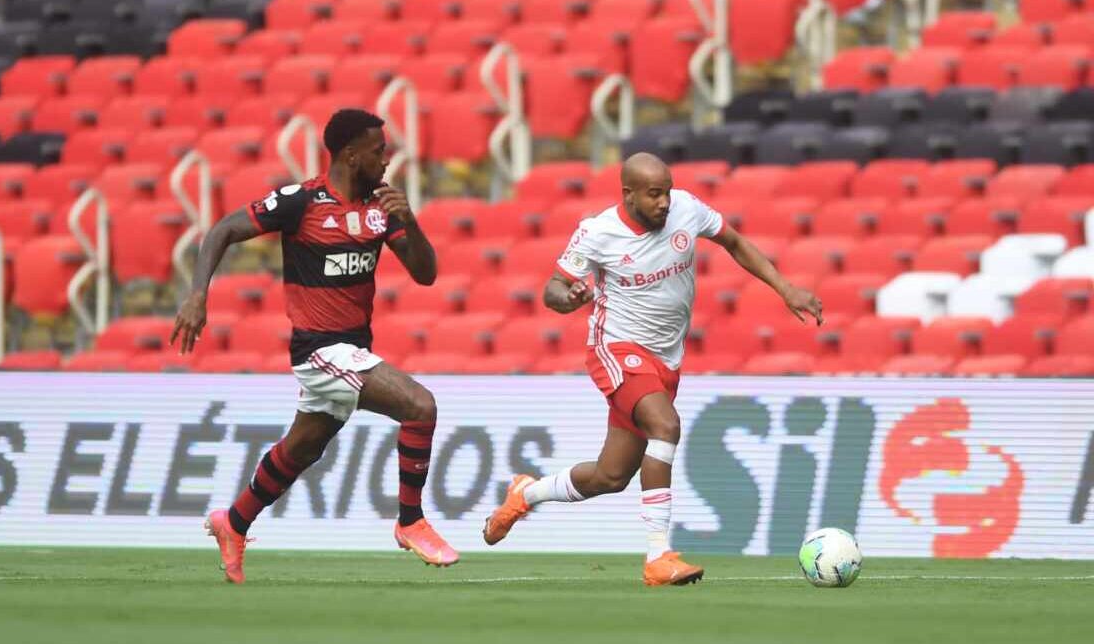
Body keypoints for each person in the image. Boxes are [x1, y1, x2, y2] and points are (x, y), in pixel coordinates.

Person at [482, 152, 823, 586]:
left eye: (666, 190)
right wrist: (565, 299)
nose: (664, 202)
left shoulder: (687, 208)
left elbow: (734, 242)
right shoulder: (597, 232)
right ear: (629, 194)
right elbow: (553, 287)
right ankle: (658, 557)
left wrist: (785, 287)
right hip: (616, 348)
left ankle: (524, 495)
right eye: (653, 194)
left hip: (666, 359)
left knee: (611, 476)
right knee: (665, 425)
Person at [171, 109, 459, 584]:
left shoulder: (379, 209)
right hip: (320, 351)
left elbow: (425, 274)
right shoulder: (301, 202)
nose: (386, 160)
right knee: (419, 406)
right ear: (350, 154)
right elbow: (222, 230)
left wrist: (409, 220)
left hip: (352, 350)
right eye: (378, 151)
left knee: (302, 448)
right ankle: (410, 520)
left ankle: (234, 522)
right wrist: (198, 294)